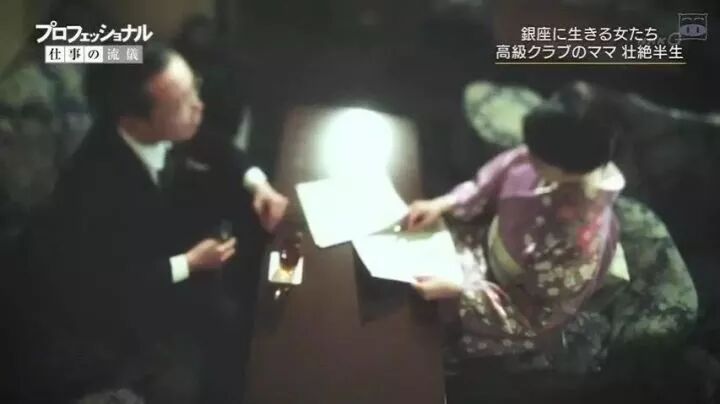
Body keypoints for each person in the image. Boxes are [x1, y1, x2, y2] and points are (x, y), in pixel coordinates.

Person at [29, 43, 287, 403]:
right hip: (122, 312)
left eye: (194, 87)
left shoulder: (163, 126)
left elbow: (213, 145)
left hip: (171, 243)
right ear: (134, 122)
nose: (199, 105)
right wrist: (190, 263)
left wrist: (258, 184)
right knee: (235, 335)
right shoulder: (91, 192)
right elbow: (111, 286)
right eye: (182, 103)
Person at [406, 82, 626, 358]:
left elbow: (538, 314)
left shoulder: (580, 238)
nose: (526, 156)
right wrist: (444, 203)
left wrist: (461, 292)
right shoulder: (546, 157)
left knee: (422, 332)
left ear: (565, 164)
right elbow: (489, 181)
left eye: (537, 157)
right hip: (483, 247)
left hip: (508, 299)